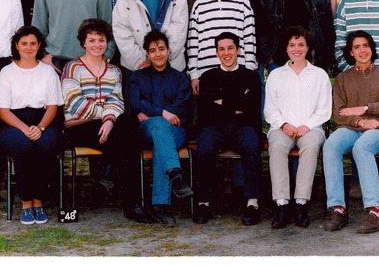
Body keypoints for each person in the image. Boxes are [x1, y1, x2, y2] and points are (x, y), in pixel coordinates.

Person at [61, 19, 151, 223]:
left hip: (109, 127)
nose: (97, 45)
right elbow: (74, 102)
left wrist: (109, 121)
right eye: (91, 40)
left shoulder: (114, 71)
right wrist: (107, 118)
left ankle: (109, 173)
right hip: (79, 126)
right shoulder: (72, 67)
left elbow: (117, 100)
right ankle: (133, 203)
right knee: (128, 143)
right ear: (83, 43)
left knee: (128, 124)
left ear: (106, 42)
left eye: (101, 40)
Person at [323, 31, 379, 234]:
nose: (362, 51)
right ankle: (338, 209)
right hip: (350, 128)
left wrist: (366, 108)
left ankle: (375, 211)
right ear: (351, 52)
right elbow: (338, 114)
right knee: (330, 145)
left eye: (366, 45)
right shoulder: (343, 78)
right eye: (356, 47)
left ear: (372, 49)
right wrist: (361, 121)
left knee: (362, 147)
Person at [0, 26, 63, 226]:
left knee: (46, 144)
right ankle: (26, 202)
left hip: (43, 120)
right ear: (16, 45)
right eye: (24, 43)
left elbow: (52, 107)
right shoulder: (7, 72)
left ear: (39, 45)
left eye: (33, 43)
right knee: (23, 145)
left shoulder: (48, 71)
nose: (28, 47)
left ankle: (38, 201)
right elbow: (3, 111)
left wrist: (40, 128)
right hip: (12, 123)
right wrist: (25, 129)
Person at [263, 26, 331, 228]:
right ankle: (282, 204)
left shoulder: (319, 75)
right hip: (282, 128)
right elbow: (270, 109)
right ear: (286, 48)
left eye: (301, 45)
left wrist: (307, 126)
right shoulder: (276, 75)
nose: (296, 49)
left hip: (311, 128)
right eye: (292, 45)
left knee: (310, 146)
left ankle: (301, 203)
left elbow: (324, 109)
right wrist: (283, 125)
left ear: (308, 47)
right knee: (276, 145)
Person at [192, 32, 262, 226]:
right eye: (221, 49)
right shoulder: (208, 77)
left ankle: (252, 202)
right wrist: (237, 104)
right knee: (204, 148)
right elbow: (207, 112)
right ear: (216, 53)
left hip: (244, 126)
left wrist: (222, 103)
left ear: (238, 50)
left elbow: (251, 109)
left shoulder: (251, 76)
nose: (226, 53)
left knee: (251, 145)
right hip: (214, 127)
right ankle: (203, 202)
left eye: (230, 48)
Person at [126, 30, 193, 227]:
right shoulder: (137, 77)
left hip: (176, 131)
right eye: (153, 50)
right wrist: (163, 113)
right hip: (145, 130)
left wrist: (154, 113)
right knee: (160, 125)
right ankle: (174, 177)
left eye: (161, 49)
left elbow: (181, 107)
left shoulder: (181, 78)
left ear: (169, 50)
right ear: (147, 53)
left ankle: (160, 207)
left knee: (161, 142)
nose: (158, 54)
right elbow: (136, 103)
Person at [186, 0, 257, 95]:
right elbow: (193, 43)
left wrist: (249, 73)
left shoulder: (243, 3)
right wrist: (194, 75)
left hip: (237, 75)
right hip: (206, 73)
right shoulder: (199, 5)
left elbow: (250, 41)